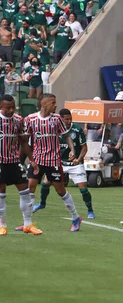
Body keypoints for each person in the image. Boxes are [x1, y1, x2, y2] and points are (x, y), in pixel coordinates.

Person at [23, 94, 82, 232]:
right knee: (30, 186)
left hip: (53, 161)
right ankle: (28, 223)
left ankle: (75, 217)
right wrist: (29, 159)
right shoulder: (31, 119)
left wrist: (72, 149)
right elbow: (25, 140)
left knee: (60, 190)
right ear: (44, 104)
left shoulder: (57, 119)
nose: (56, 105)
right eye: (53, 103)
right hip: (37, 160)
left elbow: (66, 136)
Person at [33, 108, 96, 219]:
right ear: (60, 119)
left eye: (70, 119)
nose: (69, 121)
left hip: (75, 165)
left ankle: (90, 210)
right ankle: (42, 204)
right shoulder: (53, 129)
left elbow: (84, 148)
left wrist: (78, 158)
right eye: (66, 119)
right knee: (45, 183)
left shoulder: (77, 130)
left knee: (83, 189)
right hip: (58, 162)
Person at [0, 94, 38, 236]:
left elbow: (23, 142)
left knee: (25, 190)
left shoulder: (18, 120)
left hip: (14, 161)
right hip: (0, 162)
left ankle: (28, 224)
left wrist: (32, 161)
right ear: (1, 107)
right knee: (1, 192)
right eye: (8, 108)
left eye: (13, 108)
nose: (11, 111)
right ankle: (2, 225)